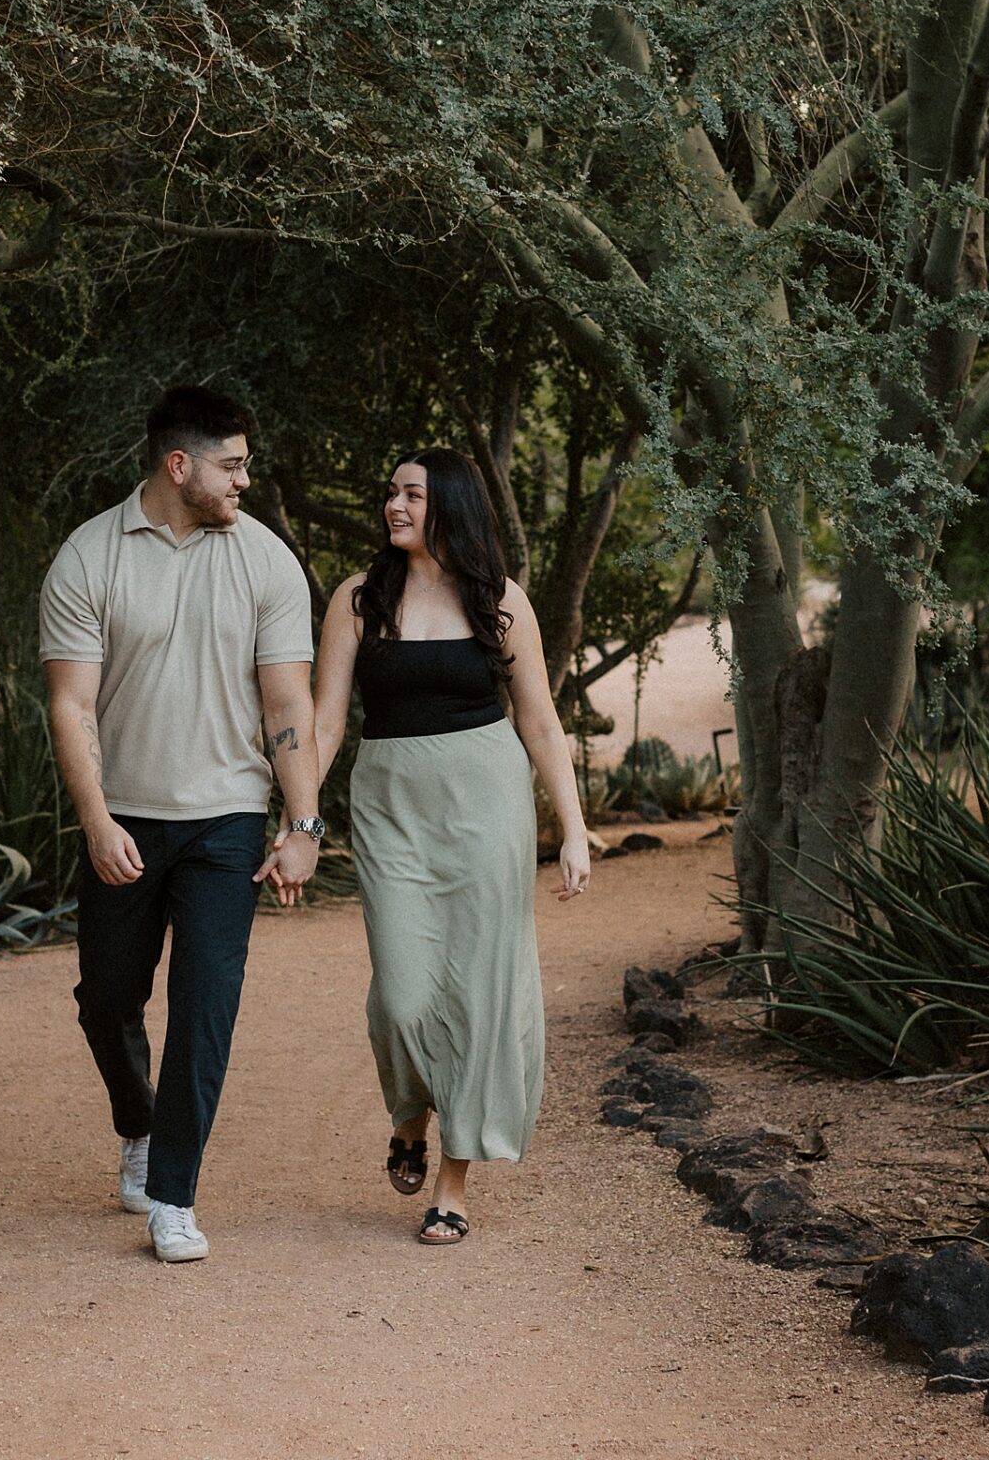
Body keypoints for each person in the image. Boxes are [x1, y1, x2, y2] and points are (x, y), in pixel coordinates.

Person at [40, 385, 321, 1265]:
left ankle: (175, 1195)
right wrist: (95, 820)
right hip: (123, 815)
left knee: (206, 1006)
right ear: (179, 466)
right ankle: (138, 1123)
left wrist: (301, 821)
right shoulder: (89, 558)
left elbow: (288, 703)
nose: (246, 478)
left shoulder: (267, 562)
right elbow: (70, 702)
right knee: (108, 999)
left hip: (227, 821)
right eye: (231, 465)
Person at [312, 446, 591, 1245]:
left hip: (486, 803)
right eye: (390, 492)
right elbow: (328, 720)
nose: (394, 507)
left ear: (453, 508)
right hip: (391, 803)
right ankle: (409, 1113)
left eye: (412, 495)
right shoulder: (359, 601)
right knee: (402, 993)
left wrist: (571, 828)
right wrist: (299, 819)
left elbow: (539, 719)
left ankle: (453, 1181)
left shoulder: (501, 602)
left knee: (477, 990)